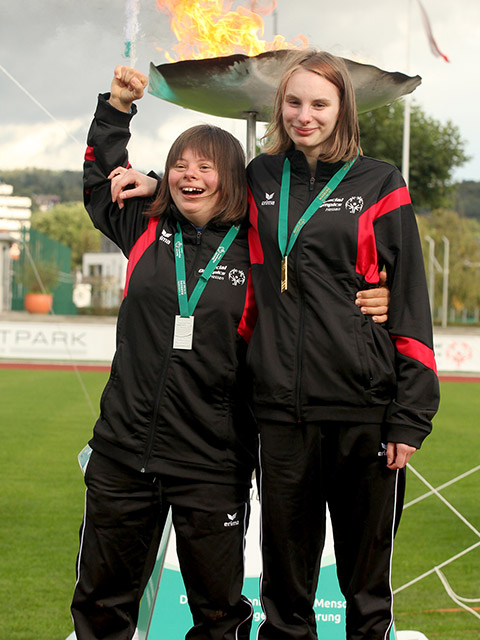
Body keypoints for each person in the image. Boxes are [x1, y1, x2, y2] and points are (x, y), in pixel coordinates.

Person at [75, 64, 391, 640]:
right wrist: (117, 108)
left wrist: (375, 295)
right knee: (101, 607)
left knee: (219, 618)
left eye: (205, 168)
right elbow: (102, 180)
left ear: (231, 182)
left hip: (211, 463)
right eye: (180, 165)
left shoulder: (258, 247)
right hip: (124, 455)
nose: (189, 176)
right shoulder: (144, 226)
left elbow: (321, 271)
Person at [244, 50, 440, 639]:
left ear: (341, 109)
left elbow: (408, 299)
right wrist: (153, 180)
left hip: (366, 410)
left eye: (320, 103)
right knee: (284, 588)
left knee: (366, 588)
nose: (306, 115)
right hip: (282, 413)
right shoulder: (258, 176)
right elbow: (196, 196)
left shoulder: (380, 182)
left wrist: (409, 418)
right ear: (281, 106)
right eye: (294, 101)